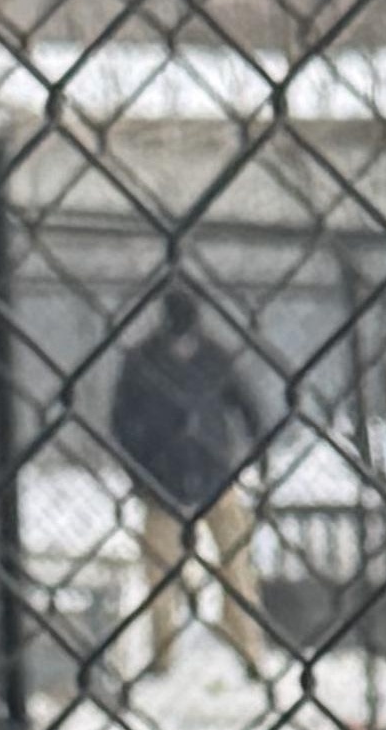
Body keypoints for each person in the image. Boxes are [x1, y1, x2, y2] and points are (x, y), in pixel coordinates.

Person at [111, 288, 269, 674]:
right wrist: (140, 470)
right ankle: (164, 655)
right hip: (161, 482)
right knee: (160, 574)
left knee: (238, 569)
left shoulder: (214, 356)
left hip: (217, 477)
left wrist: (259, 458)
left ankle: (250, 651)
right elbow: (120, 420)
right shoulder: (143, 359)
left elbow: (249, 409)